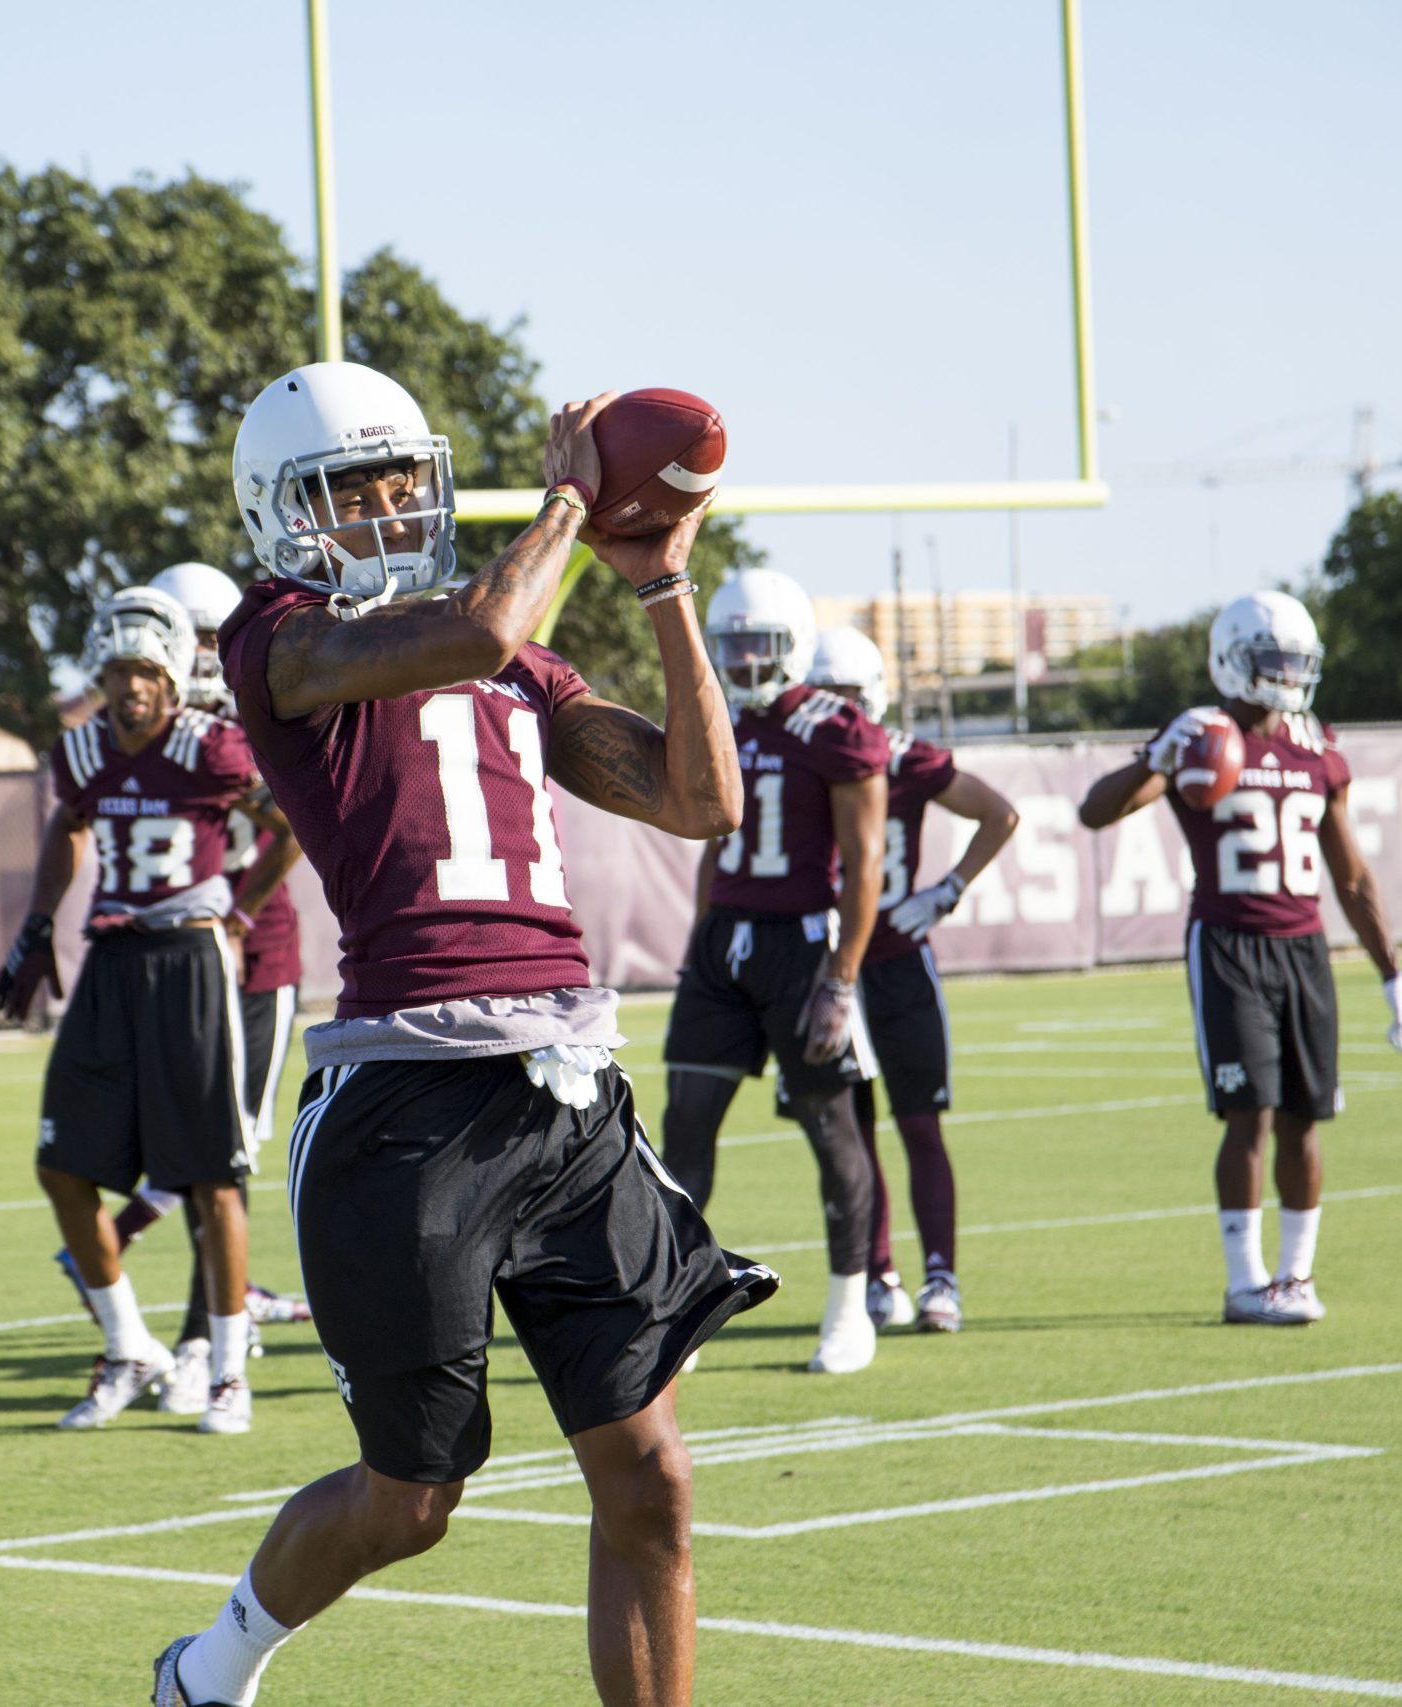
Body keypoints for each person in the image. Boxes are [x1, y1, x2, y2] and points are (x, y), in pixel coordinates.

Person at [153, 363, 774, 1707]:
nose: (382, 512)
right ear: (279, 513)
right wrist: (568, 497)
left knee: (651, 1476)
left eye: (398, 484)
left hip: (568, 1088)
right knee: (413, 1496)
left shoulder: (525, 654)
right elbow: (485, 627)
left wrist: (662, 577)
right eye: (346, 491)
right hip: (408, 1103)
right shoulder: (280, 639)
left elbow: (702, 797)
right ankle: (214, 1661)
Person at [1078, 590, 1402, 1324]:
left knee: (1306, 1117)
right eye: (1275, 661)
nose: (1289, 676)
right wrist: (1157, 752)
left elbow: (1352, 875)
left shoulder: (1318, 749)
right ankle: (1245, 1282)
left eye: (1298, 663)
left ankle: (1296, 1277)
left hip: (1305, 948)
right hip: (1229, 945)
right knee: (1251, 1114)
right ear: (1234, 660)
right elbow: (1095, 810)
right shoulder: (1200, 737)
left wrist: (1395, 974)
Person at [0, 586, 291, 1435]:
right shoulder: (83, 750)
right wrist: (36, 922)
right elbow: (68, 824)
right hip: (111, 962)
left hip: (189, 959)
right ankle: (129, 1345)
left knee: (212, 1176)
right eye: (118, 671)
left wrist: (236, 914)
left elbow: (288, 827)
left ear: (172, 680)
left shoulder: (213, 747)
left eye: (144, 673)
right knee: (62, 1166)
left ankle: (229, 1372)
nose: (129, 688)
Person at [656, 572, 891, 1377]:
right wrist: (699, 939)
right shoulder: (720, 717)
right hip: (726, 940)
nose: (745, 658)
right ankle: (677, 1309)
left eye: (758, 642)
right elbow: (713, 844)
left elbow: (865, 868)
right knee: (682, 1124)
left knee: (833, 1128)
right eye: (733, 644)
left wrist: (841, 980)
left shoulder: (837, 728)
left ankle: (848, 1305)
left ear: (790, 642)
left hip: (801, 944)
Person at [805, 630, 1018, 1335]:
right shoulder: (795, 752)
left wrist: (947, 890)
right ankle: (878, 1273)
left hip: (897, 962)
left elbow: (1000, 812)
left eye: (850, 697)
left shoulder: (905, 756)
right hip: (835, 965)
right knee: (851, 1132)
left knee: (919, 1124)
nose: (840, 711)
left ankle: (940, 1277)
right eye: (827, 696)